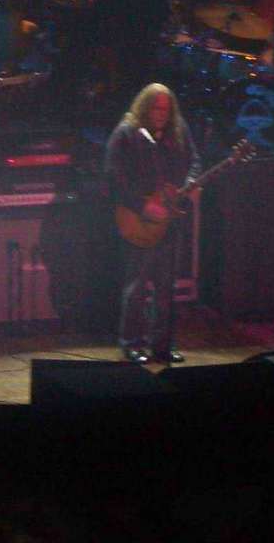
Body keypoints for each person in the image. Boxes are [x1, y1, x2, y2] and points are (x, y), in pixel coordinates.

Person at [105, 84, 200, 364]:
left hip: (169, 220)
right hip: (138, 219)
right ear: (145, 107)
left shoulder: (178, 131)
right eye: (156, 108)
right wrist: (142, 205)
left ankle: (162, 345)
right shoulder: (127, 133)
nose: (161, 114)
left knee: (166, 287)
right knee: (136, 286)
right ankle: (131, 343)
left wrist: (191, 184)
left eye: (166, 110)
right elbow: (113, 178)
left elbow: (195, 160)